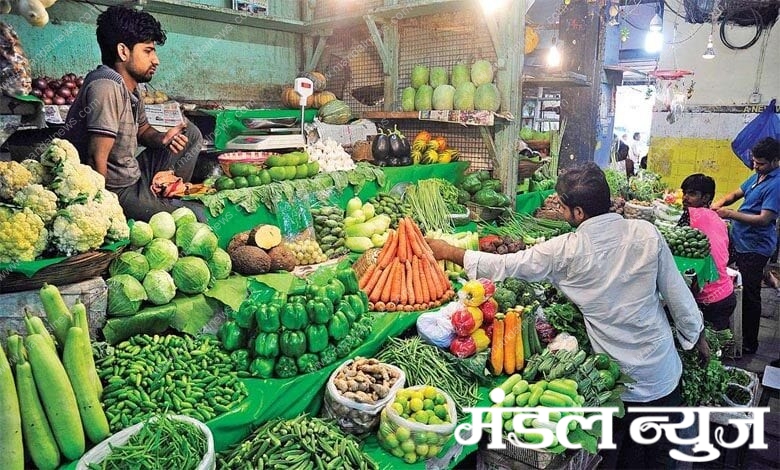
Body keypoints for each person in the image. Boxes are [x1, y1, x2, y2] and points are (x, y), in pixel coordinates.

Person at [427, 163, 709, 468]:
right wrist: (697, 340)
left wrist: (449, 251)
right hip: (661, 374)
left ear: (578, 213)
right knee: (657, 461)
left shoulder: (565, 250)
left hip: (615, 383)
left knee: (611, 460)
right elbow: (678, 296)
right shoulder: (646, 233)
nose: (559, 211)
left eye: (561, 205)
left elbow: (508, 265)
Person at [63, 6, 204, 222]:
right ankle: (157, 206)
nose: (156, 60)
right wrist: (102, 211)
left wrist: (163, 138)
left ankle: (167, 192)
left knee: (191, 134)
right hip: (117, 191)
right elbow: (95, 157)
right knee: (197, 218)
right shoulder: (106, 87)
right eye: (148, 51)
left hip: (134, 175)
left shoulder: (132, 86)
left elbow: (143, 130)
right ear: (123, 51)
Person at [711, 136, 780, 355]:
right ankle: (768, 277)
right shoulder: (758, 176)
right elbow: (736, 194)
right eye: (754, 161)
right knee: (744, 278)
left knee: (751, 293)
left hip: (755, 245)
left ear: (776, 160)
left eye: (760, 163)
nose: (755, 166)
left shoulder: (776, 184)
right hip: (742, 240)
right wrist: (719, 204)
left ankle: (750, 341)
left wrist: (730, 214)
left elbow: (764, 219)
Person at [677, 174, 736, 330]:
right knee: (719, 345)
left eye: (691, 194)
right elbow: (731, 254)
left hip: (708, 300)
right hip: (726, 294)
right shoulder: (720, 220)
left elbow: (676, 253)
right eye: (684, 193)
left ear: (705, 198)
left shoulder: (690, 215)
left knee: (705, 348)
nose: (685, 198)